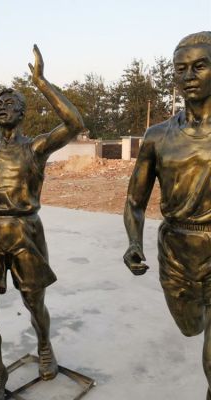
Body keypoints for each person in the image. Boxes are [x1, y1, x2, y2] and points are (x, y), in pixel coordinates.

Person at [0, 44, 85, 399]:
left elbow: (74, 123)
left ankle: (44, 345)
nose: (1, 107)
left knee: (34, 304)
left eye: (9, 103)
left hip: (26, 233)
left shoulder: (35, 148)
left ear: (22, 112)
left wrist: (41, 82)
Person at [123, 31, 211, 399]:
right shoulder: (157, 136)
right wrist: (133, 242)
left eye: (200, 66)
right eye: (181, 69)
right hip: (176, 249)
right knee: (190, 327)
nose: (189, 75)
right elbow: (135, 200)